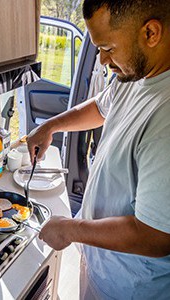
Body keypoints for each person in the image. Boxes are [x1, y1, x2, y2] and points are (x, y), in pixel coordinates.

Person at [27, 0, 170, 299]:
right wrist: (50, 126)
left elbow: (156, 235)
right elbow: (102, 106)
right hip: (102, 263)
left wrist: (70, 229)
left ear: (151, 33)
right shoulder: (135, 73)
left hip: (129, 287)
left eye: (108, 48)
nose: (103, 60)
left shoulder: (165, 120)